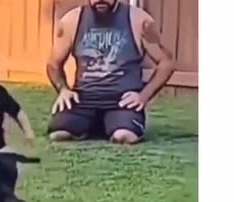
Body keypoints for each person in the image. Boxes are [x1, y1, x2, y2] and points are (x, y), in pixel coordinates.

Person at [46, 0, 175, 144]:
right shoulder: (72, 20)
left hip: (122, 101)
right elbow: (54, 63)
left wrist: (143, 96)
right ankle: (97, 123)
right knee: (59, 134)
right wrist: (63, 90)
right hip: (84, 99)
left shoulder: (139, 20)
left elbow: (166, 62)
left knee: (124, 137)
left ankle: (114, 123)